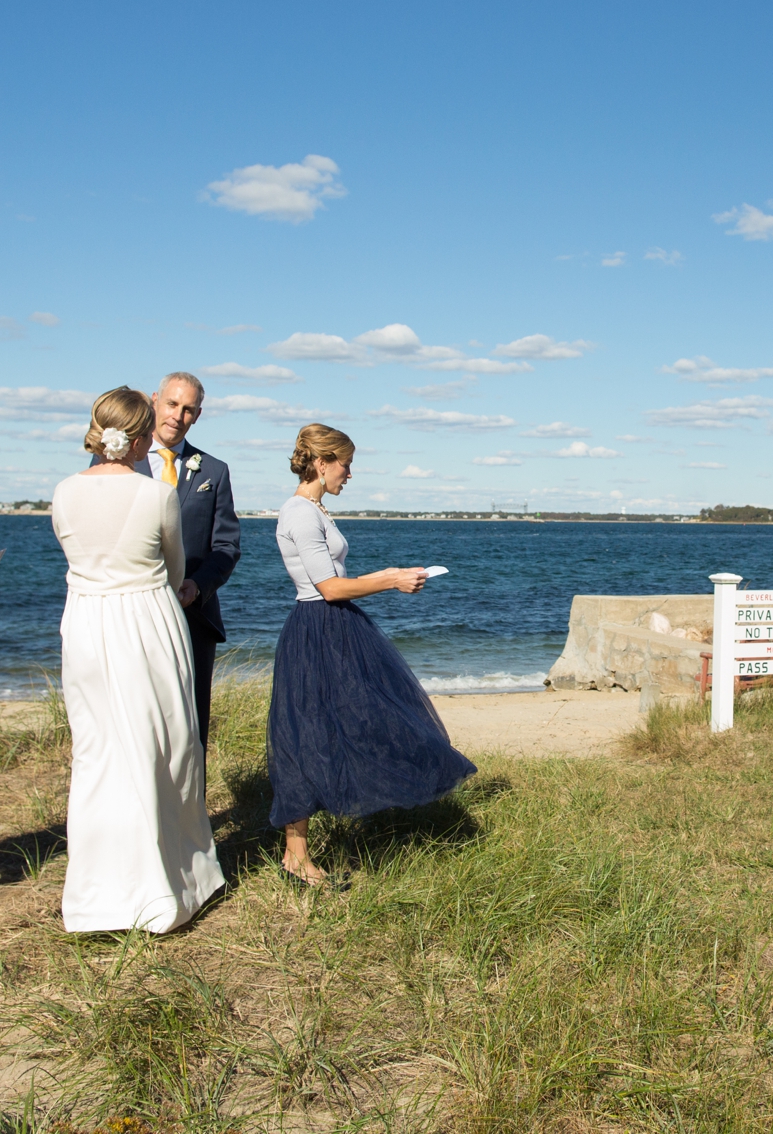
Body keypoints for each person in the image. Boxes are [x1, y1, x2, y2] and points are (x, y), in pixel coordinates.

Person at [269, 423, 477, 888]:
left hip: (338, 627)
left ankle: (314, 842)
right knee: (308, 736)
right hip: (318, 628)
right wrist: (390, 578)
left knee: (361, 723)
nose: (350, 474)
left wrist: (395, 576)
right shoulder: (300, 514)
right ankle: (295, 855)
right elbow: (329, 587)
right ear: (323, 464)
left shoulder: (315, 510)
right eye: (346, 464)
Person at [51, 387, 224, 933]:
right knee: (164, 748)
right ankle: (167, 884)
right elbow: (174, 571)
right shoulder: (156, 495)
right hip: (147, 623)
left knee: (98, 752)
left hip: (85, 627)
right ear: (142, 434)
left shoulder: (62, 491)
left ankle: (95, 893)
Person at [144, 372, 240, 749]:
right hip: (135, 611)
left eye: (188, 410)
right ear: (155, 400)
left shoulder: (213, 471)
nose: (177, 416)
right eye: (171, 404)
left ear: (197, 415)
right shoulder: (117, 462)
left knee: (190, 726)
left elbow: (227, 546)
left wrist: (197, 586)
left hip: (193, 616)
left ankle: (192, 808)